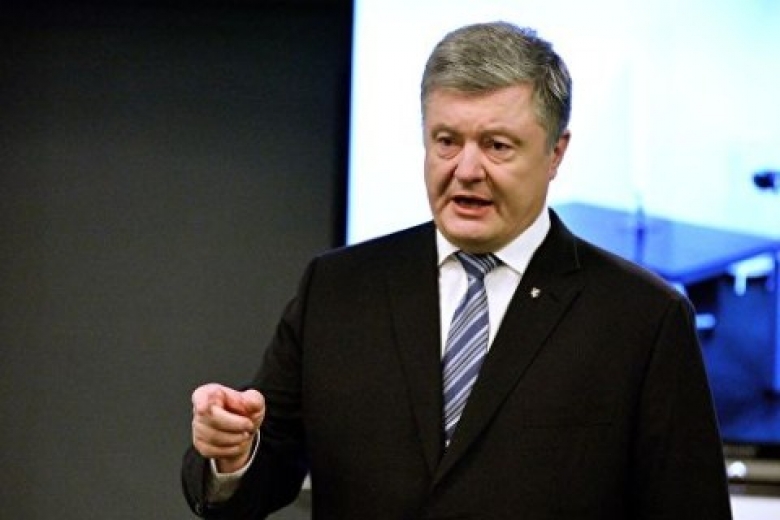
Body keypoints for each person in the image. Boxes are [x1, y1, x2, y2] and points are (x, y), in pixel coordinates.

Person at [182, 21, 732, 519]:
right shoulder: (339, 289)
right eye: (447, 141)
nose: (467, 170)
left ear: (556, 153)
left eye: (497, 146)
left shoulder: (643, 318)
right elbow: (259, 474)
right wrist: (232, 454)